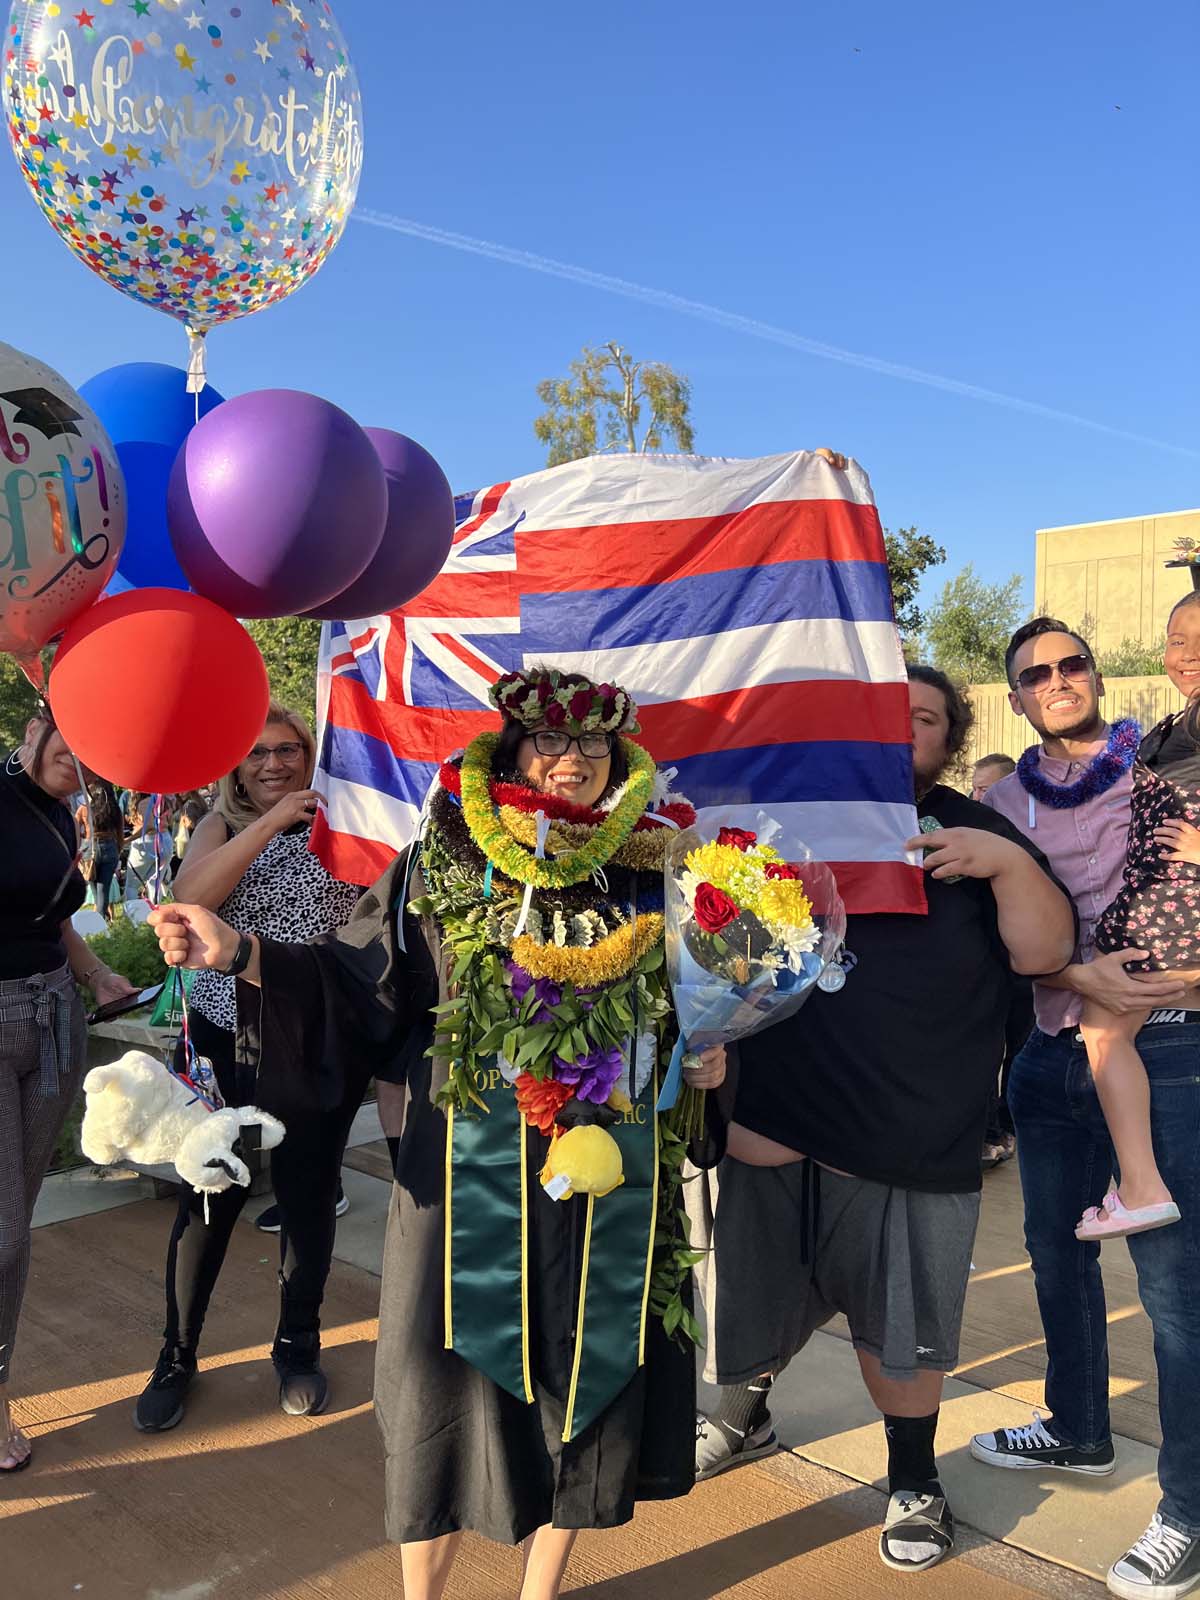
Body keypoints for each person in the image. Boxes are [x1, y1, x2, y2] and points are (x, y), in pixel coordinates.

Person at [148, 667, 729, 1600]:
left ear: (617, 752)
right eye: (547, 738)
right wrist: (241, 952)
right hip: (469, 1172)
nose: (568, 757)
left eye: (588, 742)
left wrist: (710, 1061)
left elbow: (690, 1005)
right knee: (441, 1389)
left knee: (594, 1376)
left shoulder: (657, 864)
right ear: (509, 749)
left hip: (615, 1170)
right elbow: (359, 983)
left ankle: (540, 1590)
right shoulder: (447, 853)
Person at [691, 664, 1075, 1575]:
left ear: (948, 740)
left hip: (909, 1129)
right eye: (883, 716)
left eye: (925, 720)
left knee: (904, 1331)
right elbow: (715, 952)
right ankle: (741, 1419)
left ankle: (914, 1481)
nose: (901, 733)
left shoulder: (977, 831)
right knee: (750, 1297)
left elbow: (1048, 950)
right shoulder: (780, 823)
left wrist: (1011, 864)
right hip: (775, 1118)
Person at [972, 617, 1200, 1600]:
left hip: (1173, 1045)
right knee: (1058, 1255)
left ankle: (1189, 1505)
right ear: (1017, 697)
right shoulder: (999, 800)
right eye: (1037, 673)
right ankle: (1076, 1425)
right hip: (1050, 1052)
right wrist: (1076, 973)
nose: (1058, 680)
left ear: (1097, 676)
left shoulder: (1166, 767)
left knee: (1176, 1296)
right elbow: (988, 936)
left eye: (1072, 664)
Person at [132, 703, 366, 1433]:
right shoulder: (220, 824)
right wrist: (271, 822)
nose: (273, 763)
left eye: (290, 750)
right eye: (258, 752)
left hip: (313, 1038)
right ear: (237, 763)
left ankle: (298, 1344)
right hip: (225, 1040)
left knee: (306, 1198)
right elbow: (190, 897)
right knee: (209, 1198)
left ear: (310, 752)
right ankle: (177, 1353)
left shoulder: (347, 821)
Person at [1, 709, 136, 1472]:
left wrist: (96, 974)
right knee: (5, 1236)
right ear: (31, 731)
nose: (81, 759)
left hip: (54, 1017)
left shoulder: (61, 808)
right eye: (69, 740)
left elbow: (51, 918)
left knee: (14, 1225)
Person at [1072, 594, 1200, 1238]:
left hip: (1174, 910)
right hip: (1164, 906)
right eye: (1178, 639)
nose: (1189, 654)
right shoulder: (1176, 725)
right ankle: (1139, 1185)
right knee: (1104, 1029)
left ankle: (1141, 1186)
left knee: (1103, 1030)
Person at [76, 779, 125, 920]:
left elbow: (73, 825)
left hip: (90, 848)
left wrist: (80, 842)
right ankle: (102, 919)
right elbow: (120, 834)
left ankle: (99, 921)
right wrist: (118, 850)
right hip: (110, 847)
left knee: (94, 887)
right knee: (104, 889)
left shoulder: (84, 809)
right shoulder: (115, 810)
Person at [123, 792, 173, 903]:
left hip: (149, 842)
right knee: (155, 883)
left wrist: (128, 839)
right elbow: (170, 821)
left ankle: (132, 915)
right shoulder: (164, 801)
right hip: (165, 840)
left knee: (132, 884)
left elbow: (149, 826)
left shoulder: (144, 803)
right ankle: (156, 913)